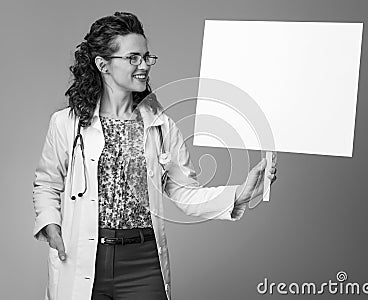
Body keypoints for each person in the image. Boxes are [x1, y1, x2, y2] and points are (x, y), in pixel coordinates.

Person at [32, 11, 277, 300]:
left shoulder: (161, 125)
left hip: (143, 262)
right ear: (103, 65)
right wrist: (51, 224)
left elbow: (185, 192)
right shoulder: (66, 123)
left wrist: (239, 193)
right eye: (133, 57)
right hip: (83, 254)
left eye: (147, 57)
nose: (144, 65)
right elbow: (47, 183)